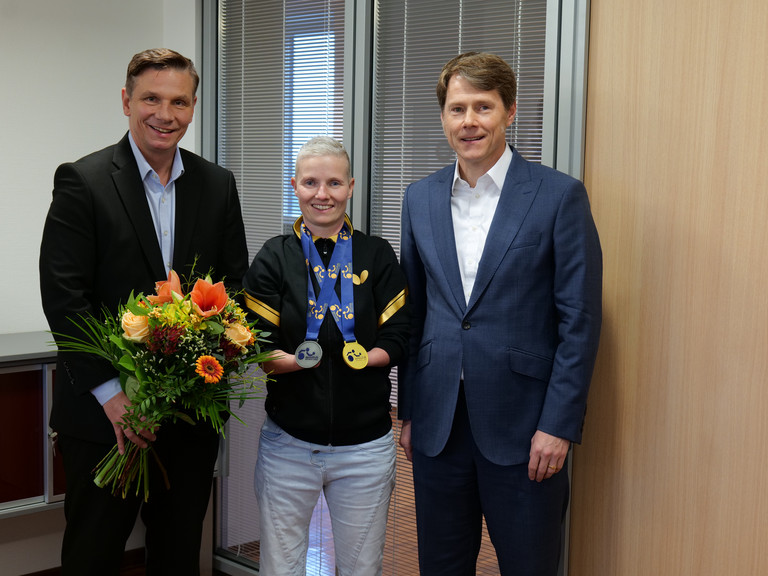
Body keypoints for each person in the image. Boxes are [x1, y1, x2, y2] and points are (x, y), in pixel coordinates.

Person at [39, 48, 248, 576]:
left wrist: (201, 372)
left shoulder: (218, 185)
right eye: (151, 98)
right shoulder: (83, 180)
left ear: (194, 107)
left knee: (178, 556)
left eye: (179, 101)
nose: (165, 114)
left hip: (189, 417)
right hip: (104, 417)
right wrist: (114, 397)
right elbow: (65, 299)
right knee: (93, 556)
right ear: (126, 101)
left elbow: (233, 289)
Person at [398, 52, 602, 575]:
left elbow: (579, 322)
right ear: (443, 117)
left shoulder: (558, 196)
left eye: (482, 107)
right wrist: (411, 411)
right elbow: (415, 314)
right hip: (439, 427)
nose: (469, 121)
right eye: (457, 108)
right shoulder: (419, 199)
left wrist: (558, 425)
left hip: (527, 431)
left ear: (509, 111)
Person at [242, 136, 409, 576]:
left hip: (365, 450)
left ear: (350, 186)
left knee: (361, 569)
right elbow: (254, 343)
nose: (323, 194)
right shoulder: (275, 256)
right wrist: (294, 362)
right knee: (281, 569)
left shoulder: (376, 253)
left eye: (334, 183)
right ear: (294, 185)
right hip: (288, 446)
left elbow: (400, 334)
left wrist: (367, 357)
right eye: (311, 182)